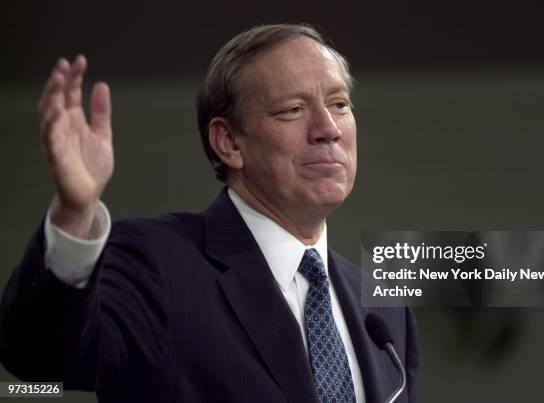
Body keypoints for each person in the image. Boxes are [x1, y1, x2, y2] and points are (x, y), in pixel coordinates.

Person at [0, 24, 418, 402]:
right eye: (292, 109)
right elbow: (41, 359)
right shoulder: (157, 264)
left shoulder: (383, 309)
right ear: (228, 142)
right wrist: (75, 214)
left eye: (340, 104)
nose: (328, 127)